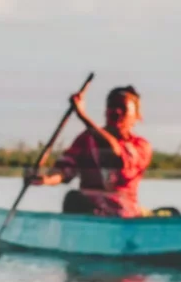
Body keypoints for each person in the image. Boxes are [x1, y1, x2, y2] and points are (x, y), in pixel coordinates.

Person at [26, 85, 155, 218]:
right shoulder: (86, 139)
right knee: (73, 198)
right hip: (90, 215)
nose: (116, 111)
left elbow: (116, 154)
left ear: (137, 116)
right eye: (112, 106)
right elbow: (65, 171)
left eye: (122, 108)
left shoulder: (141, 146)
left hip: (124, 217)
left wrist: (82, 116)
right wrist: (44, 179)